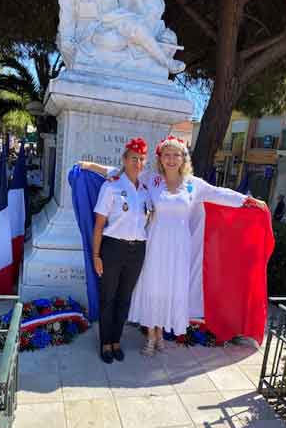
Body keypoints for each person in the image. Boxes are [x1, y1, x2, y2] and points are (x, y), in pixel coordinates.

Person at [128, 136, 266, 355]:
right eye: (167, 155)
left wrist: (247, 200)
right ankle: (151, 337)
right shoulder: (151, 179)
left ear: (184, 158)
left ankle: (161, 333)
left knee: (170, 290)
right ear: (160, 159)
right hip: (155, 243)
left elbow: (220, 193)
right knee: (153, 288)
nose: (171, 159)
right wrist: (92, 167)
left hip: (179, 246)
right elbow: (125, 174)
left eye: (176, 155)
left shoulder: (194, 184)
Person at [91, 137, 151, 364]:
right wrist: (96, 256)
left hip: (137, 251)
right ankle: (105, 343)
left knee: (124, 298)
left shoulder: (145, 191)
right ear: (124, 160)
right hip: (113, 248)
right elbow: (98, 225)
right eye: (133, 158)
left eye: (142, 159)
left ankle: (116, 341)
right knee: (108, 297)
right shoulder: (111, 186)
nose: (138, 162)